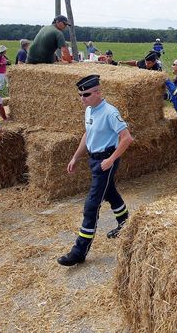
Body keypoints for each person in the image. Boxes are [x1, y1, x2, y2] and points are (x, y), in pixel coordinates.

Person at [58, 75, 134, 266]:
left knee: (91, 205)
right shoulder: (89, 110)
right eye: (80, 95)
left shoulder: (110, 112)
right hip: (94, 160)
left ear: (98, 93)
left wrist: (111, 159)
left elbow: (127, 138)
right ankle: (126, 224)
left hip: (105, 162)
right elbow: (87, 134)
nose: (82, 99)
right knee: (110, 193)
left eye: (86, 94)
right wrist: (76, 157)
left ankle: (79, 251)